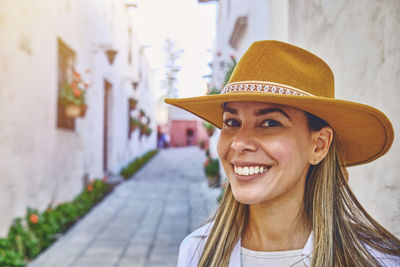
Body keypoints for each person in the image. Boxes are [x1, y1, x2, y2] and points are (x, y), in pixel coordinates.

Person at [165, 40, 400, 267]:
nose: (239, 143)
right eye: (232, 122)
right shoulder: (196, 253)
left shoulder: (378, 260)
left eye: (269, 123)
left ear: (319, 145)